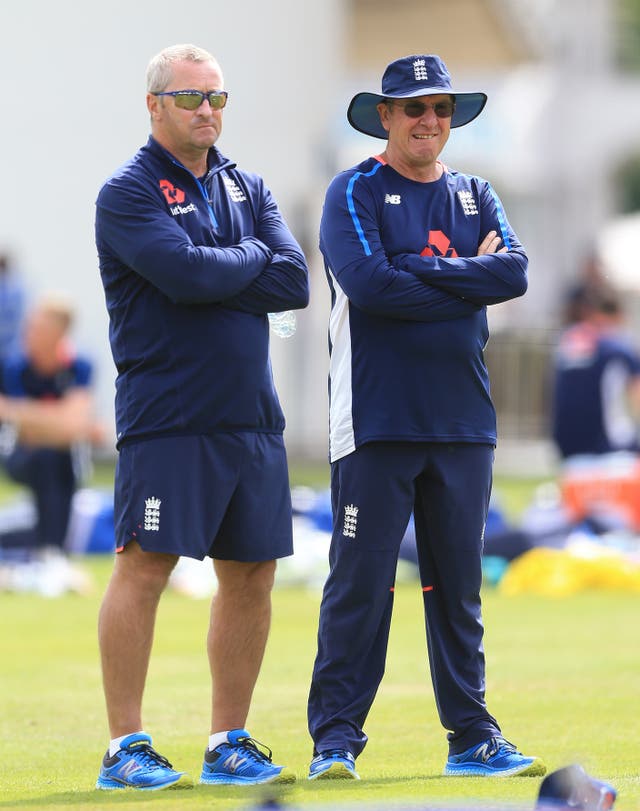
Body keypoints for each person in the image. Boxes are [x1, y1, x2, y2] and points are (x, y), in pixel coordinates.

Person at [306, 54, 546, 781]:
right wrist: (463, 279)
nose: (428, 121)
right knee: (361, 581)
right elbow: (368, 283)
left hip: (463, 422)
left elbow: (514, 272)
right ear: (385, 116)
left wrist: (421, 268)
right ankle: (336, 740)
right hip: (376, 419)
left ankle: (471, 736)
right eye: (413, 109)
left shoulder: (475, 192)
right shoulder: (353, 189)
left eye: (439, 109)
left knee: (459, 588)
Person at [94, 44, 309, 791]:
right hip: (169, 413)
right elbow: (182, 277)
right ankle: (125, 745)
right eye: (191, 99)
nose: (207, 111)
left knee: (251, 573)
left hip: (251, 416)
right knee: (144, 566)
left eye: (217, 98)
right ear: (155, 105)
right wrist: (244, 262)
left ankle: (228, 740)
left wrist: (228, 258)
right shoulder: (127, 192)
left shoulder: (246, 185)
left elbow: (295, 279)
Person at [0, 295, 103, 556]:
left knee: (57, 458)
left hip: (68, 460)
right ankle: (50, 551)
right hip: (20, 455)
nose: (29, 333)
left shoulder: (79, 365)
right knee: (45, 457)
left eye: (37, 328)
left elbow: (75, 425)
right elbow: (20, 427)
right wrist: (63, 421)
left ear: (59, 333)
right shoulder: (14, 365)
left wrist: (26, 415)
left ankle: (52, 552)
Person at [551, 285, 640, 460]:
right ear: (616, 316)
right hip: (610, 447)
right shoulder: (617, 347)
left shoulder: (567, 341)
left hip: (565, 443)